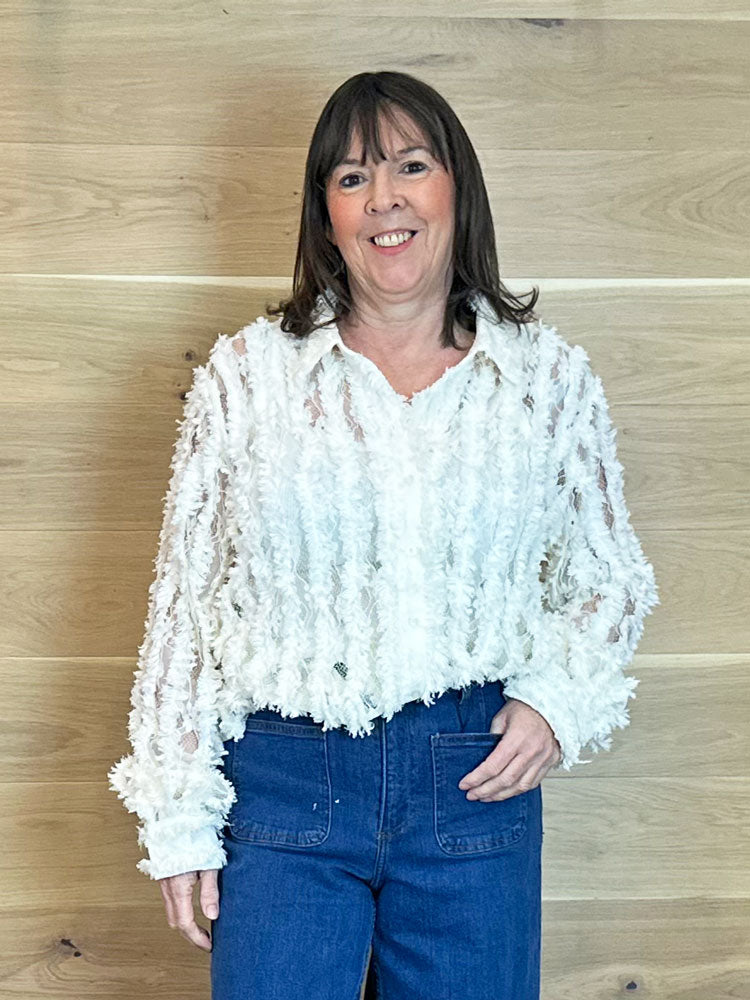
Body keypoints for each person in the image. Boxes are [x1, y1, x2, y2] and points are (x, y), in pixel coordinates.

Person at [108, 71, 660, 999]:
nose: (384, 200)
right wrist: (177, 816)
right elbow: (184, 611)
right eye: (353, 178)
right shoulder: (247, 380)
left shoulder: (547, 381)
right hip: (284, 782)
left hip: (472, 775)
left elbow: (612, 576)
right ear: (326, 216)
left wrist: (556, 704)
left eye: (411, 166)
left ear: (457, 190)